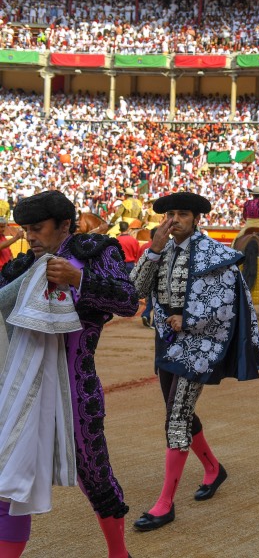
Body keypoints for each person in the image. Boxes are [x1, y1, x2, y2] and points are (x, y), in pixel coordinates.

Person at [0, 190, 138, 558]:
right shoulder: (21, 266)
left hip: (76, 384)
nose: (30, 236)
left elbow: (127, 301)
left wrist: (80, 280)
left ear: (64, 225)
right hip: (19, 386)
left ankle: (118, 553)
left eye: (38, 228)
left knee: (93, 472)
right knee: (7, 477)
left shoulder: (95, 252)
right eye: (26, 229)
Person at [129, 192, 259, 532]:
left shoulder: (214, 253)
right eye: (170, 214)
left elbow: (222, 303)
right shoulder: (160, 250)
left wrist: (188, 321)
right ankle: (213, 469)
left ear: (196, 219)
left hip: (199, 344)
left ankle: (165, 504)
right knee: (178, 412)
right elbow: (134, 290)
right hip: (166, 342)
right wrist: (155, 251)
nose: (174, 220)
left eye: (182, 214)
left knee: (176, 417)